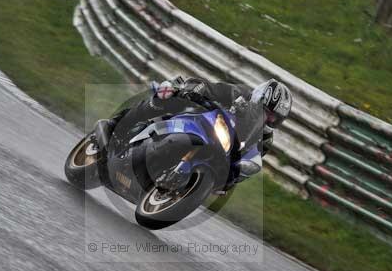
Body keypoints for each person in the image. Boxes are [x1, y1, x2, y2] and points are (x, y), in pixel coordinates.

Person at [107, 76, 293, 190]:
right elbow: (212, 88)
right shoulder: (240, 93)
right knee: (166, 95)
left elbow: (249, 162)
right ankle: (118, 125)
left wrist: (230, 180)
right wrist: (196, 90)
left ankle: (174, 184)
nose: (268, 119)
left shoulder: (265, 140)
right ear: (258, 98)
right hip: (201, 121)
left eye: (273, 118)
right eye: (266, 112)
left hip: (220, 150)